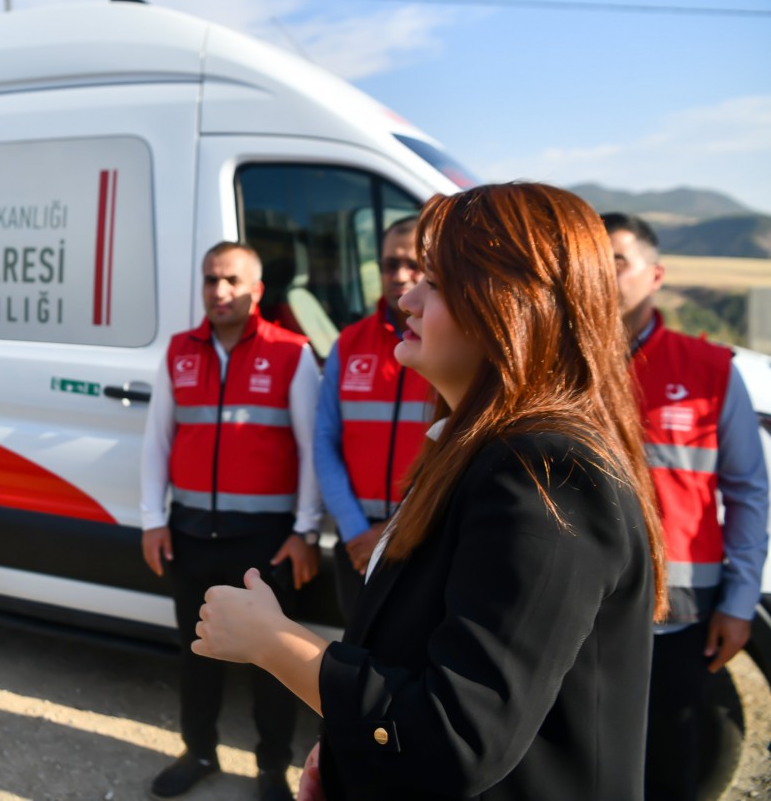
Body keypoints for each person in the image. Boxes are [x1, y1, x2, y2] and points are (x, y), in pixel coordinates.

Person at [193, 183, 668, 800]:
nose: (408, 297)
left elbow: (454, 737)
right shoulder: (477, 448)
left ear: (511, 306)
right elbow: (420, 662)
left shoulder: (544, 475)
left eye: (436, 282)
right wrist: (347, 752)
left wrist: (276, 644)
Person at [141, 241, 323, 801]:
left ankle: (273, 767)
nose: (219, 291)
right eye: (210, 280)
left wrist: (306, 531)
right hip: (191, 535)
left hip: (266, 546)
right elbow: (157, 442)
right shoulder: (179, 352)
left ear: (256, 290)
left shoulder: (292, 353)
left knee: (271, 664)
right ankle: (198, 750)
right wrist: (153, 520)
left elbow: (313, 450)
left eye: (231, 281)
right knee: (196, 656)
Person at [601, 212, 769, 801]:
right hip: (576, 617)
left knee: (668, 771)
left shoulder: (710, 371)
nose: (602, 273)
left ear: (656, 275)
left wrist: (740, 602)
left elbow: (749, 491)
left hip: (678, 620)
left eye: (617, 260)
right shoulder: (554, 368)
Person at [314, 217, 434, 616]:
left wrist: (397, 531)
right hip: (357, 543)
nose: (400, 275)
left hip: (425, 537)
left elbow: (458, 449)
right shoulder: (349, 342)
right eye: (389, 264)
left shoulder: (454, 345)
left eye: (413, 264)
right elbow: (324, 442)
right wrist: (355, 531)